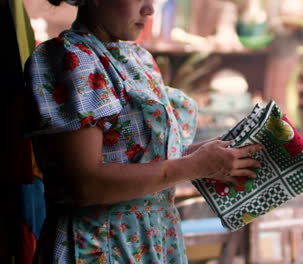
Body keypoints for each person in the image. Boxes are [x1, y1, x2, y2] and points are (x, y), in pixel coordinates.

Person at [24, 0, 263, 263]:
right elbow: (84, 185)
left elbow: (143, 157)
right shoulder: (71, 58)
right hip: (100, 245)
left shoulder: (138, 58)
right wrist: (194, 166)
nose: (150, 9)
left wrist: (212, 157)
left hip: (153, 241)